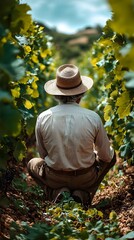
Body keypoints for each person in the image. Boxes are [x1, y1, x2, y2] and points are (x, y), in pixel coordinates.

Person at [27, 64, 116, 208]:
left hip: (54, 177)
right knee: (112, 157)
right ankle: (84, 194)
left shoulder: (43, 117)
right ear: (81, 95)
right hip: (85, 178)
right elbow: (106, 156)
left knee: (32, 163)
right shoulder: (93, 117)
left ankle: (56, 193)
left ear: (56, 94)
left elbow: (43, 155)